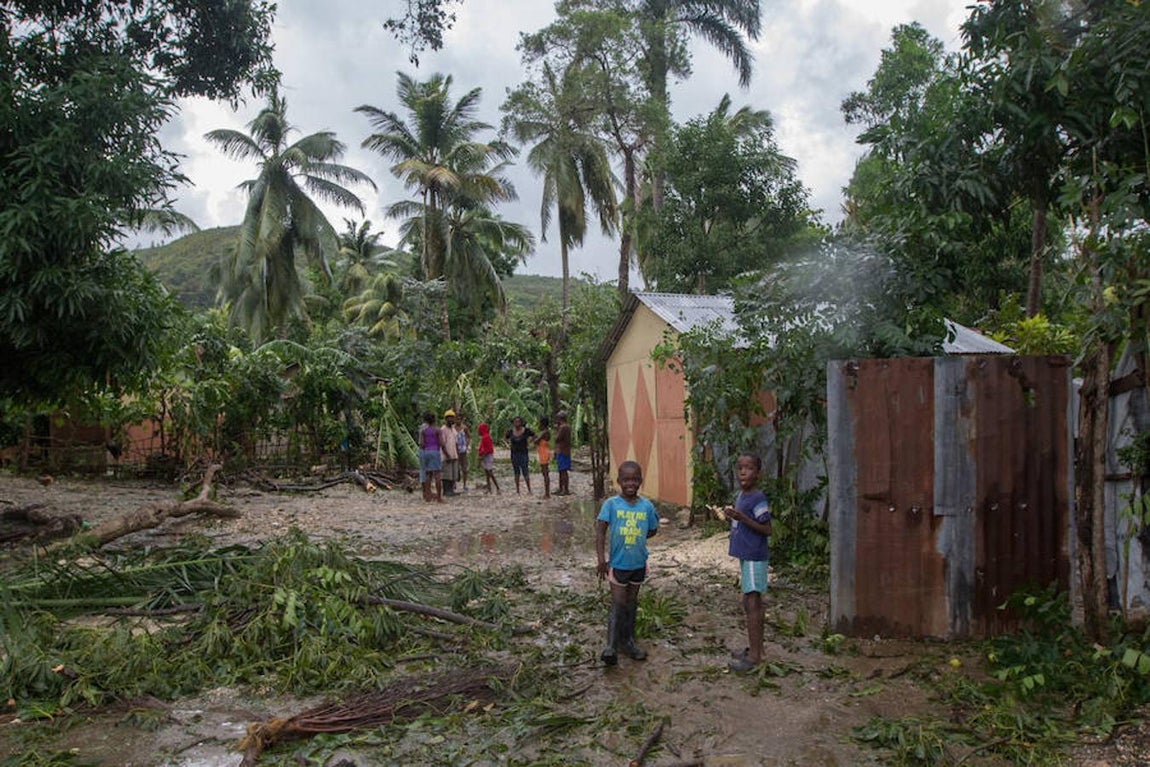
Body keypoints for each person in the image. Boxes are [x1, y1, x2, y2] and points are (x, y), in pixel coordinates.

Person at [595, 460, 659, 665]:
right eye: (626, 479)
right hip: (618, 564)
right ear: (619, 481)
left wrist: (637, 536)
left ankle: (628, 642)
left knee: (631, 603)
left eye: (634, 479)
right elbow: (600, 531)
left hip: (638, 564)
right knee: (618, 603)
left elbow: (653, 529)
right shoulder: (611, 505)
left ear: (640, 481)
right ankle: (611, 646)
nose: (630, 483)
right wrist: (601, 560)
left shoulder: (646, 506)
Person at [723, 452, 772, 673]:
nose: (743, 471)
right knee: (748, 602)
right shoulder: (742, 495)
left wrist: (742, 518)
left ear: (758, 473)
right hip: (746, 556)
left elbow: (766, 528)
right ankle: (756, 649)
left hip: (754, 556)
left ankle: (754, 657)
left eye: (749, 468)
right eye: (740, 467)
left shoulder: (757, 498)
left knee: (753, 603)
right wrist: (732, 516)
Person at [417, 412, 443, 503]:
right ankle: (439, 498)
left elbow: (422, 443)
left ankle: (427, 496)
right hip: (435, 451)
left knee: (428, 474)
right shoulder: (438, 430)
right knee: (437, 475)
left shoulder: (423, 431)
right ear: (434, 420)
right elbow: (441, 442)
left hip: (426, 452)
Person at [506, 416, 535, 494]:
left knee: (525, 470)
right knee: (516, 471)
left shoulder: (526, 431)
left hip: (523, 453)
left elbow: (534, 435)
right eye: (515, 422)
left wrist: (531, 443)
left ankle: (529, 489)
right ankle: (517, 490)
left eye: (518, 421)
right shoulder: (510, 431)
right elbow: (505, 437)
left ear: (521, 422)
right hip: (514, 453)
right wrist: (508, 444)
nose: (517, 423)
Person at [476, 422, 500, 494]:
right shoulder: (485, 437)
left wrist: (480, 458)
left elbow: (487, 449)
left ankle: (497, 488)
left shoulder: (485, 437)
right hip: (486, 456)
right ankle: (489, 488)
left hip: (487, 456)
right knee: (487, 473)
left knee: (490, 472)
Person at [440, 409, 460, 497]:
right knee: (446, 475)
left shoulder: (453, 429)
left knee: (453, 474)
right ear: (446, 419)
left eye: (452, 418)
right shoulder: (443, 429)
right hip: (446, 456)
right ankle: (446, 491)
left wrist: (457, 453)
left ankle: (451, 490)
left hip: (454, 454)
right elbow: (442, 443)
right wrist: (447, 454)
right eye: (449, 418)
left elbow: (456, 442)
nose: (451, 420)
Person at [554, 411, 572, 496]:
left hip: (562, 451)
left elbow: (557, 438)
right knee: (561, 471)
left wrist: (556, 430)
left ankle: (565, 489)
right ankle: (562, 488)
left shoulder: (563, 427)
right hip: (564, 450)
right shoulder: (567, 427)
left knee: (563, 471)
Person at [536, 416, 552, 499]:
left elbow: (536, 441)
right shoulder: (546, 432)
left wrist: (535, 438)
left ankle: (547, 494)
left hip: (543, 452)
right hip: (544, 451)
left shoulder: (544, 432)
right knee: (545, 472)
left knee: (545, 473)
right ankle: (547, 493)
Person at [456, 415, 470, 492]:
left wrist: (466, 445)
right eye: (457, 419)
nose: (458, 420)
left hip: (463, 451)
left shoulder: (464, 428)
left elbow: (468, 437)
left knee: (464, 468)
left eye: (459, 419)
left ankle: (464, 484)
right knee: (455, 467)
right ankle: (454, 484)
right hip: (455, 450)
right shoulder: (453, 428)